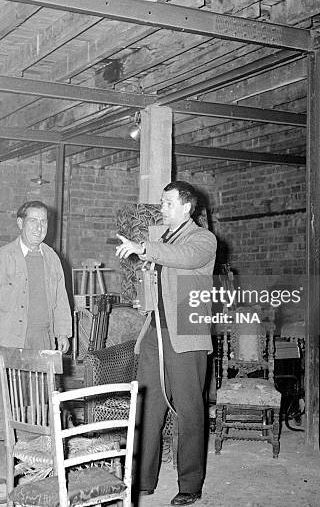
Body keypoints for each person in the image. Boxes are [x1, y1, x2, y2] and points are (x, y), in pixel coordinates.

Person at [116, 181, 216, 506]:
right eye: (162, 202)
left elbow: (184, 259)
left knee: (189, 410)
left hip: (185, 334)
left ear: (186, 207)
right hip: (155, 333)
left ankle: (190, 485)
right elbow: (156, 280)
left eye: (168, 203)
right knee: (147, 406)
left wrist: (145, 248)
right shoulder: (161, 238)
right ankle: (144, 479)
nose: (162, 208)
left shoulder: (203, 239)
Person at [0, 200, 72, 352]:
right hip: (9, 342)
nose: (39, 227)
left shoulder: (53, 258)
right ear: (20, 223)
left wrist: (62, 333)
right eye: (33, 221)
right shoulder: (0, 259)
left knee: (47, 377)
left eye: (43, 222)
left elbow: (61, 300)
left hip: (44, 341)